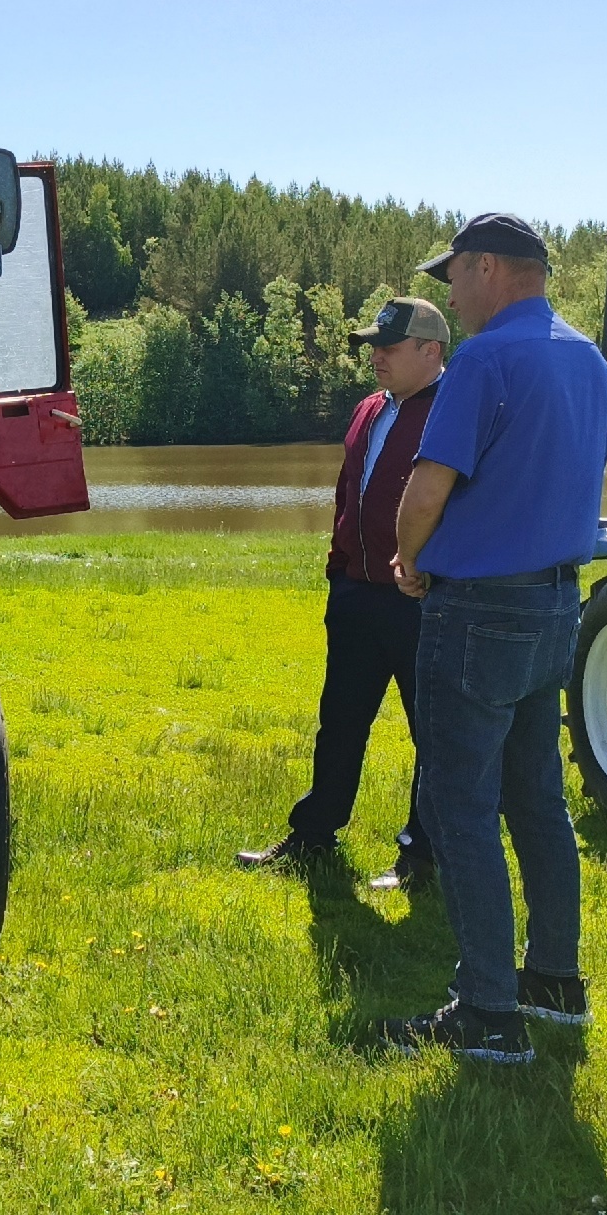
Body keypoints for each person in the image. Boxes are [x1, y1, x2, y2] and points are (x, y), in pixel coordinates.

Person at [382, 213, 607, 1064]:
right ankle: (554, 981)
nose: (450, 291)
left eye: (453, 275)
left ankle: (486, 1011)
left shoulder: (483, 358)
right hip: (557, 604)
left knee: (460, 805)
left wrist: (409, 560)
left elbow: (428, 482)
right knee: (538, 799)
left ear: (489, 268)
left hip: (477, 609)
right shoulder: (588, 358)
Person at [239, 296, 449, 890]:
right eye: (373, 346)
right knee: (341, 719)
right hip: (355, 594)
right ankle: (313, 835)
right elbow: (346, 496)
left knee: (429, 731)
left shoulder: (454, 412)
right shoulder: (368, 409)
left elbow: (464, 507)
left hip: (420, 599)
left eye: (390, 346)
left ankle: (421, 857)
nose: (376, 356)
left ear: (430, 351)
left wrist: (436, 572)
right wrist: (339, 568)